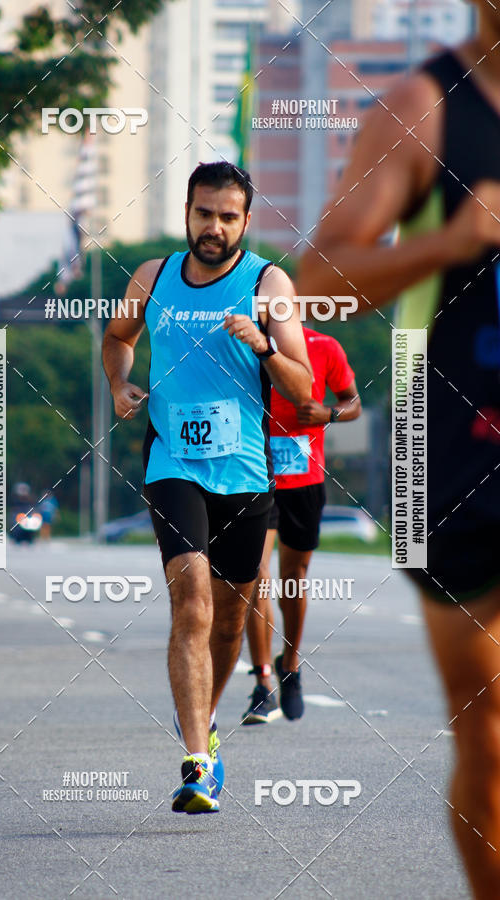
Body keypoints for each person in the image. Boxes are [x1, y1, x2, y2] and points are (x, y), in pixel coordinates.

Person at [298, 3, 500, 894]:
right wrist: (452, 243)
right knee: (490, 732)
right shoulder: (427, 107)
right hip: (457, 461)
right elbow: (316, 284)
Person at [103, 161, 313, 814]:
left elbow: (304, 391)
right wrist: (119, 384)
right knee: (190, 599)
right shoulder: (154, 276)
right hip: (174, 464)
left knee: (228, 629)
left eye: (228, 217)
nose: (213, 228)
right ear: (187, 212)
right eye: (204, 214)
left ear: (246, 221)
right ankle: (196, 760)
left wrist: (264, 348)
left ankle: (208, 722)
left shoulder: (267, 283)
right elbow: (117, 336)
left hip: (247, 475)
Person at [242, 328, 361, 724]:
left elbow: (353, 403)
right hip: (253, 475)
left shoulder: (325, 346)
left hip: (304, 479)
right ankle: (262, 685)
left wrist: (329, 414)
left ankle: (289, 663)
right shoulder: (243, 343)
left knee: (293, 577)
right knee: (256, 575)